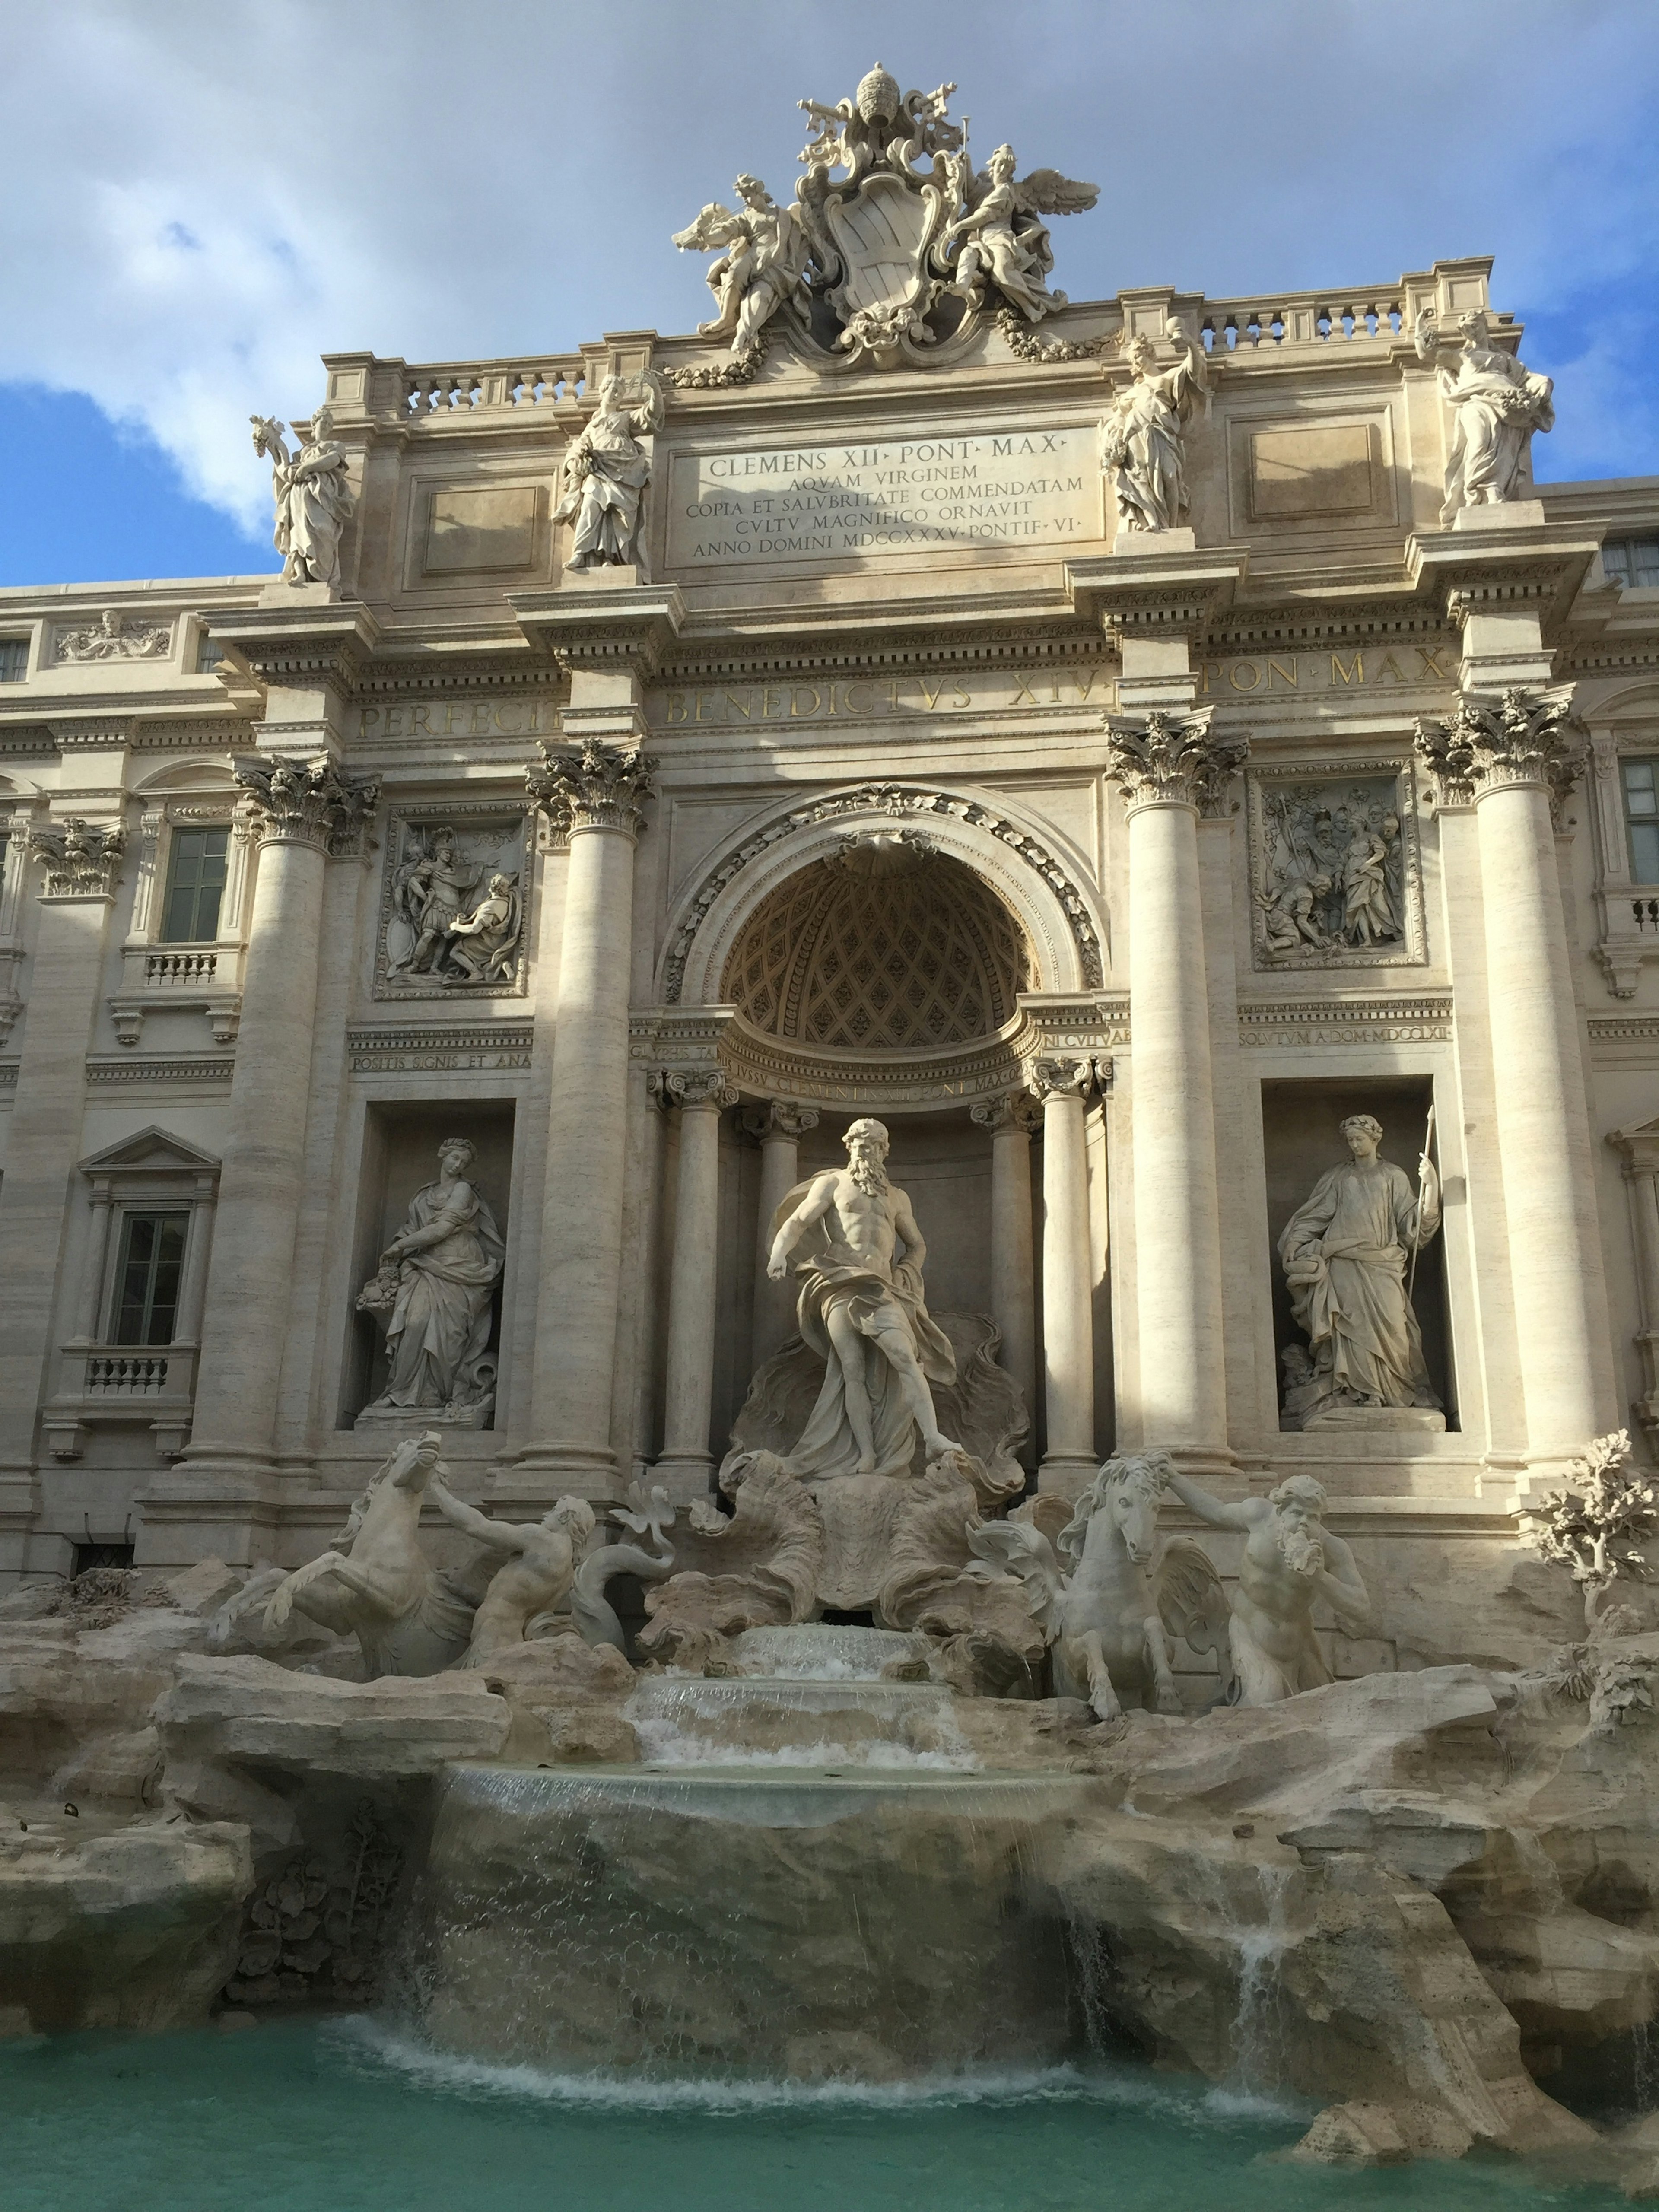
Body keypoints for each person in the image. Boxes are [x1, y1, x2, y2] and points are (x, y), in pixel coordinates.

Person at [765, 1117, 960, 1479]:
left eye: (871, 1143)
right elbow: (796, 1223)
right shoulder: (832, 1184)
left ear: (884, 1150)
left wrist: (907, 1271)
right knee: (850, 1370)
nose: (864, 1148)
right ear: (848, 1145)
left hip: (881, 1288)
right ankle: (866, 1454)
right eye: (857, 1141)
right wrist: (778, 1255)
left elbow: (916, 1244)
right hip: (840, 1283)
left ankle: (932, 1437)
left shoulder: (897, 1197)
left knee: (906, 1357)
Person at [1162, 1468, 1371, 1704]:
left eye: (1313, 1517)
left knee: (1322, 1709)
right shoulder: (1258, 1516)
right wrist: (1173, 1478)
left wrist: (1320, 1577)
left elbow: (1362, 1609)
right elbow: (1216, 1512)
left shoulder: (1332, 1548)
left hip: (1300, 1644)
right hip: (1250, 1634)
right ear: (1281, 1511)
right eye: (1297, 1514)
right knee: (1266, 1702)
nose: (1304, 1523)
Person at [1278, 1114, 1441, 1415]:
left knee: (1396, 1328)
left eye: (1360, 1140)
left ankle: (1394, 1390)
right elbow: (1316, 1216)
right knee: (1349, 1329)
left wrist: (1430, 1189)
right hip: (1343, 1263)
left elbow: (1412, 1224)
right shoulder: (1339, 1177)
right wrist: (1293, 1241)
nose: (1355, 1145)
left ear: (1375, 1139)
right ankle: (1356, 1391)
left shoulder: (1393, 1176)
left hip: (1382, 1263)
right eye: (1350, 1141)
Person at [360, 1138, 504, 1415]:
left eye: (464, 1162)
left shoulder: (463, 1190)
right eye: (454, 1158)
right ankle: (401, 1391)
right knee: (414, 1322)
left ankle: (435, 1394)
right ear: (443, 1155)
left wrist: (400, 1247)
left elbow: (441, 1230)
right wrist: (402, 1245)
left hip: (460, 1265)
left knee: (450, 1333)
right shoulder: (424, 1194)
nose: (458, 1165)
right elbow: (413, 1228)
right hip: (424, 1264)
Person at [425, 1480, 595, 1666]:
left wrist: (437, 1489)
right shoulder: (568, 1572)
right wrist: (464, 1592)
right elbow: (513, 1602)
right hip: (510, 1642)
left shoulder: (543, 1539)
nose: (546, 1514)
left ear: (565, 1517)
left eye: (554, 1510)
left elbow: (475, 1526)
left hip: (492, 1641)